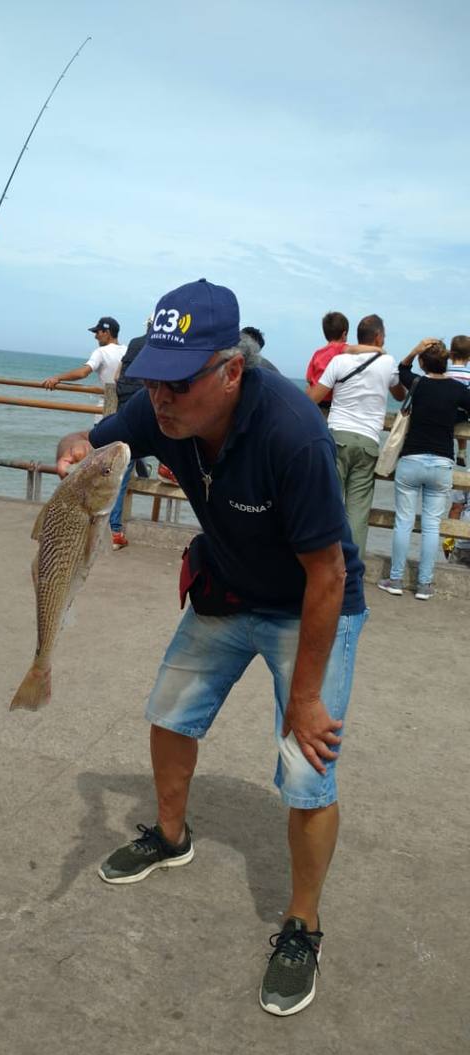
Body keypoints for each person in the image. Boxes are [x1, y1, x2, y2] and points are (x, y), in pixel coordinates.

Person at [55, 278, 367, 1017]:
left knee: (306, 770)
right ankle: (169, 835)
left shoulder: (293, 430)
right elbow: (88, 440)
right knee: (168, 712)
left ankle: (302, 924)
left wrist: (304, 698)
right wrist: (73, 451)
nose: (161, 399)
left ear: (231, 369)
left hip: (309, 606)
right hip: (228, 588)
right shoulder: (157, 404)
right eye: (152, 379)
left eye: (180, 380)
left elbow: (328, 573)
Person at [377, 339, 470, 600]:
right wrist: (459, 418)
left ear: (422, 362)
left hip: (412, 460)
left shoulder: (417, 384)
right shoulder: (456, 389)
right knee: (431, 526)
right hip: (441, 462)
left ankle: (395, 579)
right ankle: (424, 585)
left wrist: (414, 350)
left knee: (403, 522)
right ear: (447, 362)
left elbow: (401, 369)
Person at [306, 314, 404, 558]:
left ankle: (325, 562)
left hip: (337, 435)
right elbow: (400, 395)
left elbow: (313, 398)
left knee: (330, 505)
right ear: (379, 336)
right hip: (368, 442)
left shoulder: (339, 361)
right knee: (358, 512)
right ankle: (352, 567)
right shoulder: (388, 362)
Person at [109, 319, 151, 549]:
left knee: (123, 468)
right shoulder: (162, 346)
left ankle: (115, 531)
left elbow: (117, 377)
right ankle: (115, 530)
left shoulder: (134, 344)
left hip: (124, 412)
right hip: (145, 412)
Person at [42, 317, 127, 390]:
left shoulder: (101, 351)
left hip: (106, 404)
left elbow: (82, 373)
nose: (95, 336)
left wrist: (57, 378)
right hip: (126, 404)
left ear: (107, 333)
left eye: (98, 332)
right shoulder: (127, 350)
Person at [306, 312, 350, 402]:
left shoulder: (317, 353)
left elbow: (309, 378)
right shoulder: (343, 350)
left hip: (316, 401)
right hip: (332, 402)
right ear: (344, 334)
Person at [446, 334, 470, 467]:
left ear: (451, 354)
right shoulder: (468, 374)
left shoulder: (445, 372)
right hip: (461, 413)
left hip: (445, 411)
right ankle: (461, 451)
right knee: (463, 425)